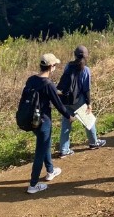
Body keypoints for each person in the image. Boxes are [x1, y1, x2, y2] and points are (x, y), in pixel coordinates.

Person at [23, 53, 76, 194]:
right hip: (43, 122)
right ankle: (33, 185)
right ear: (51, 66)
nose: (55, 68)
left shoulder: (31, 79)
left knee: (45, 143)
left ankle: (50, 171)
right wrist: (69, 117)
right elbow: (59, 105)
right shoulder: (48, 84)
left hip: (31, 120)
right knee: (40, 151)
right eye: (55, 65)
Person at [56, 45, 106, 158]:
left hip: (65, 99)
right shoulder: (86, 70)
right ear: (87, 55)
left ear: (74, 54)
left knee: (66, 124)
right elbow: (86, 89)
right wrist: (89, 103)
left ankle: (64, 150)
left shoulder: (68, 66)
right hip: (79, 100)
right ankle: (94, 142)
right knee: (88, 121)